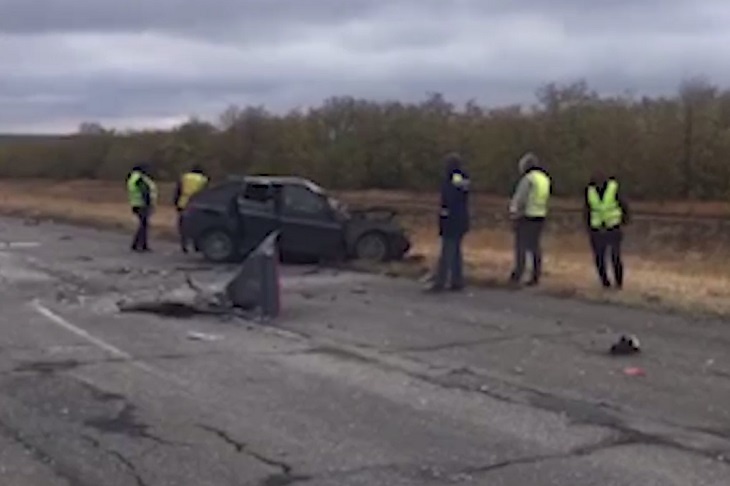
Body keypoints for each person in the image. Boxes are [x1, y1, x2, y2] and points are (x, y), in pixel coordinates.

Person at [426, 152, 471, 292]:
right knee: (456, 251)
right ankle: (457, 281)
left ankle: (440, 281)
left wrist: (443, 214)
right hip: (462, 218)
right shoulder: (464, 179)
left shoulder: (451, 179)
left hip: (451, 219)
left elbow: (449, 199)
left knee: (447, 252)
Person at [508, 152, 551, 287]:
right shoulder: (544, 179)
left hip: (526, 216)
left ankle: (518, 273)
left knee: (521, 246)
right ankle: (535, 275)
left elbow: (521, 198)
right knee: (535, 247)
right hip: (540, 215)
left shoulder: (528, 179)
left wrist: (514, 212)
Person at [584, 170, 630, 289]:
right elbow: (587, 210)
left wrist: (624, 221)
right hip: (597, 228)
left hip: (613, 226)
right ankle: (605, 282)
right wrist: (588, 227)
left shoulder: (613, 188)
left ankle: (618, 283)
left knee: (615, 256)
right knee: (599, 257)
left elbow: (623, 205)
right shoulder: (590, 191)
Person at [173, 164, 209, 252]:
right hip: (197, 204)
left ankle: (184, 245)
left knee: (184, 225)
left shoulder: (184, 177)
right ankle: (197, 246)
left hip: (183, 203)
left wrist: (176, 202)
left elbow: (178, 190)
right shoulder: (203, 179)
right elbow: (206, 193)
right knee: (198, 225)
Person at [126, 163, 157, 252]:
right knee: (144, 225)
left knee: (143, 225)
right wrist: (148, 203)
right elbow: (144, 191)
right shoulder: (140, 178)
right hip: (142, 204)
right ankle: (140, 245)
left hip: (136, 203)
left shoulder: (133, 178)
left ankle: (138, 244)